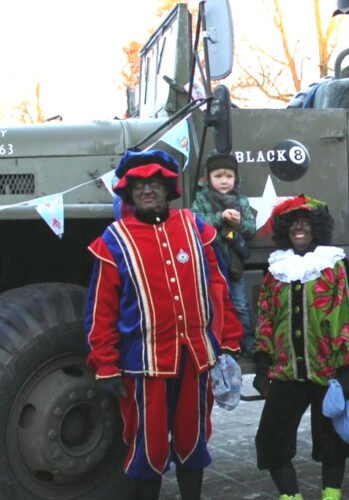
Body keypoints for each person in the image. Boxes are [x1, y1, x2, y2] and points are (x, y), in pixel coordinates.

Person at [85, 149, 243, 500]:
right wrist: (106, 366)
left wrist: (229, 342)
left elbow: (218, 287)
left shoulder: (195, 227)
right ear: (129, 192)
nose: (147, 191)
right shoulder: (113, 241)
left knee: (192, 442)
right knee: (148, 449)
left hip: (195, 358)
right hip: (144, 364)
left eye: (154, 183)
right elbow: (101, 311)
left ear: (166, 188)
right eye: (139, 185)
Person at [252, 195, 349, 500]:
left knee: (332, 443)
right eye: (294, 222)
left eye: (307, 221)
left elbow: (345, 317)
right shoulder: (277, 270)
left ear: (317, 228)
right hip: (286, 373)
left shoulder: (332, 265)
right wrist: (263, 365)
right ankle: (291, 497)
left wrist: (348, 368)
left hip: (328, 373)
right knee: (270, 440)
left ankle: (331, 497)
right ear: (285, 229)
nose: (300, 227)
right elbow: (266, 318)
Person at [192, 154, 257, 353]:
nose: (223, 180)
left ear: (235, 178)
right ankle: (219, 342)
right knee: (214, 305)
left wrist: (239, 224)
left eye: (229, 176)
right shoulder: (202, 200)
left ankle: (246, 341)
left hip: (234, 263)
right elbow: (197, 223)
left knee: (240, 305)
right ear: (208, 178)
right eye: (218, 176)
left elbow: (251, 229)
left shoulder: (241, 201)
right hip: (212, 264)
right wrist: (220, 217)